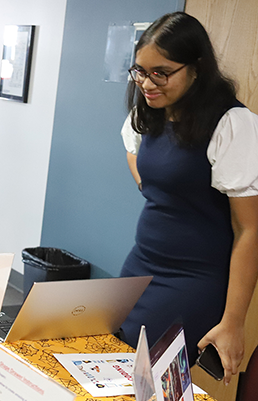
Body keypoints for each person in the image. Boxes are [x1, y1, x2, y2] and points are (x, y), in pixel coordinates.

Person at [119, 12, 258, 386]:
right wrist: (155, 188)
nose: (147, 83)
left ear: (196, 68)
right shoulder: (151, 110)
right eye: (140, 71)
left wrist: (233, 322)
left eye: (160, 73)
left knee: (153, 384)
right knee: (117, 368)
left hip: (193, 280)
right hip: (141, 264)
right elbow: (134, 151)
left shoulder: (232, 125)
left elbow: (249, 230)